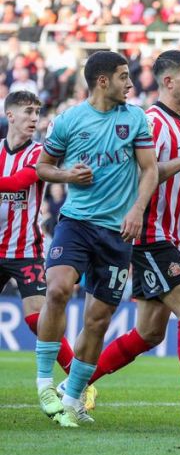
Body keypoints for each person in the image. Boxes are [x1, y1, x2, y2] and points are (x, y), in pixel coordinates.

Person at [82, 50, 180, 430]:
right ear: (168, 82)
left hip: (168, 236)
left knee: (150, 332)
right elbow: (140, 175)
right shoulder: (151, 122)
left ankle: (73, 385)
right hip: (148, 237)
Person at [34, 51, 158, 427]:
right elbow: (43, 167)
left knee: (98, 319)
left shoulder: (135, 118)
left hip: (117, 232)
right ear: (102, 81)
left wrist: (137, 210)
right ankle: (44, 383)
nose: (130, 84)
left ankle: (72, 399)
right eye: (123, 76)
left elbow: (149, 169)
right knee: (58, 289)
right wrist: (68, 175)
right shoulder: (69, 120)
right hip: (76, 223)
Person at [0, 91, 88, 404]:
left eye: (37, 112)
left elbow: (14, 184)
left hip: (26, 250)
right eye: (27, 112)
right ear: (10, 115)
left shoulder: (39, 154)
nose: (34, 118)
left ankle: (79, 381)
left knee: (37, 319)